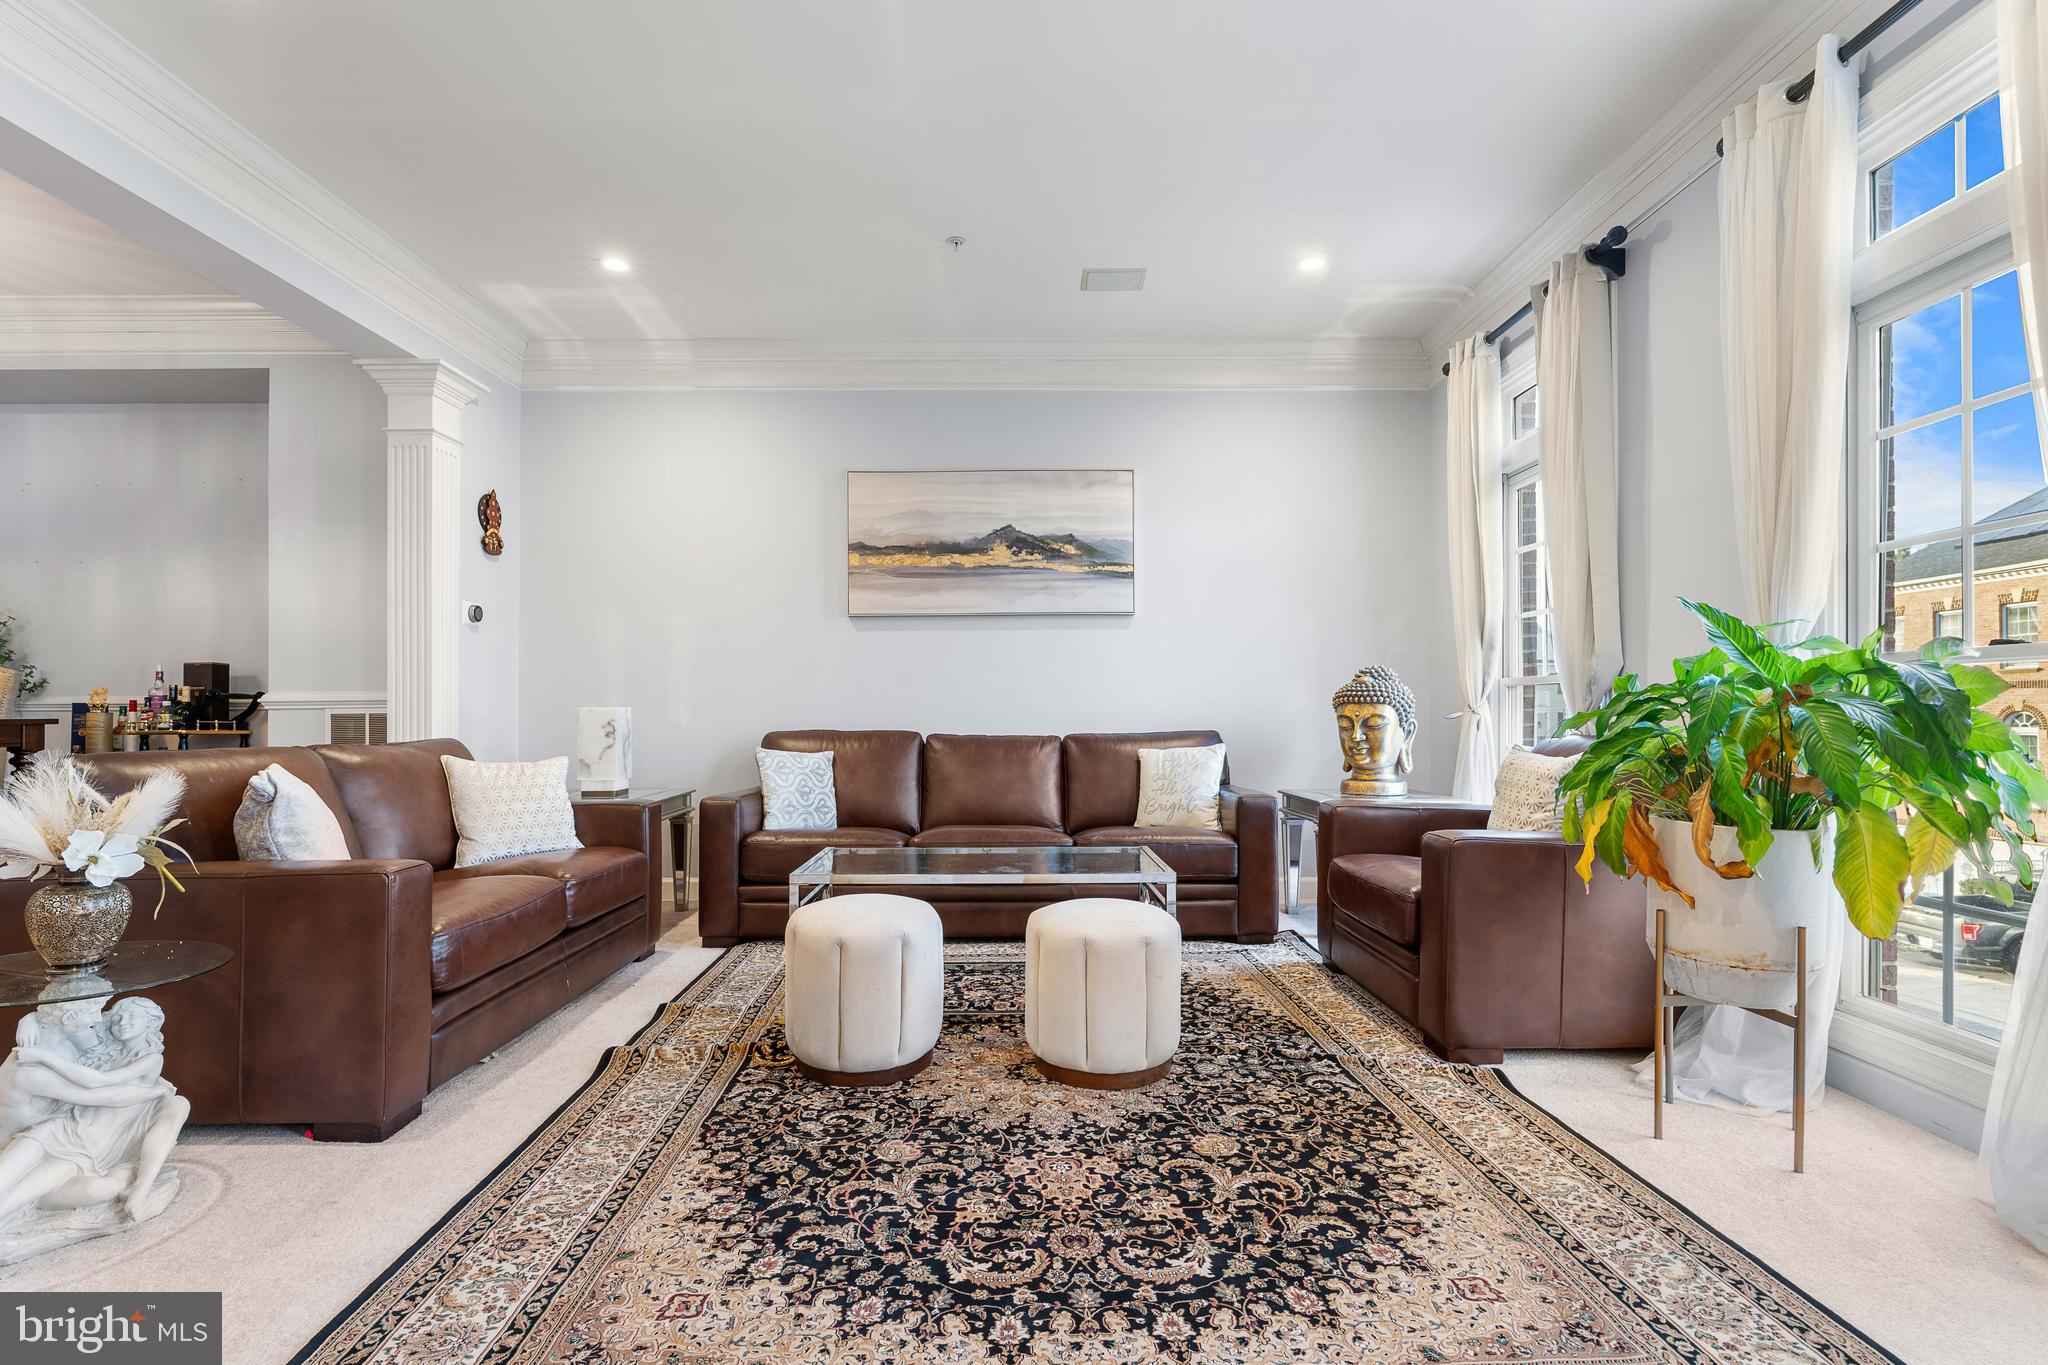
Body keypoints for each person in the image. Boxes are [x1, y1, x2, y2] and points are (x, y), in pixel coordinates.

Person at [0, 997, 188, 1226]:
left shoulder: (151, 1059)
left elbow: (98, 1083)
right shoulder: (101, 1041)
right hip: (61, 1126)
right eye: (118, 1015)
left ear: (150, 1024)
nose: (121, 1022)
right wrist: (29, 1019)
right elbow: (62, 1017)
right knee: (6, 1174)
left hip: (89, 1148)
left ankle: (140, 1189)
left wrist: (41, 1056)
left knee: (18, 1198)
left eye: (132, 1017)